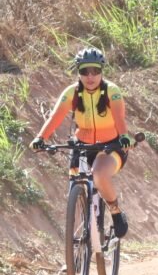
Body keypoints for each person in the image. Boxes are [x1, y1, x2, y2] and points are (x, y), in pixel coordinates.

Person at [31, 48, 135, 238]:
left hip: (110, 146)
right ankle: (76, 230)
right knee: (74, 179)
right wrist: (40, 138)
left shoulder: (112, 91)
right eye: (84, 71)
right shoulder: (72, 92)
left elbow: (120, 118)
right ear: (78, 72)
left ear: (102, 71)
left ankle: (115, 212)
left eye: (95, 70)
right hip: (82, 145)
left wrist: (124, 136)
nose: (90, 76)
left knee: (99, 175)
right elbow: (56, 117)